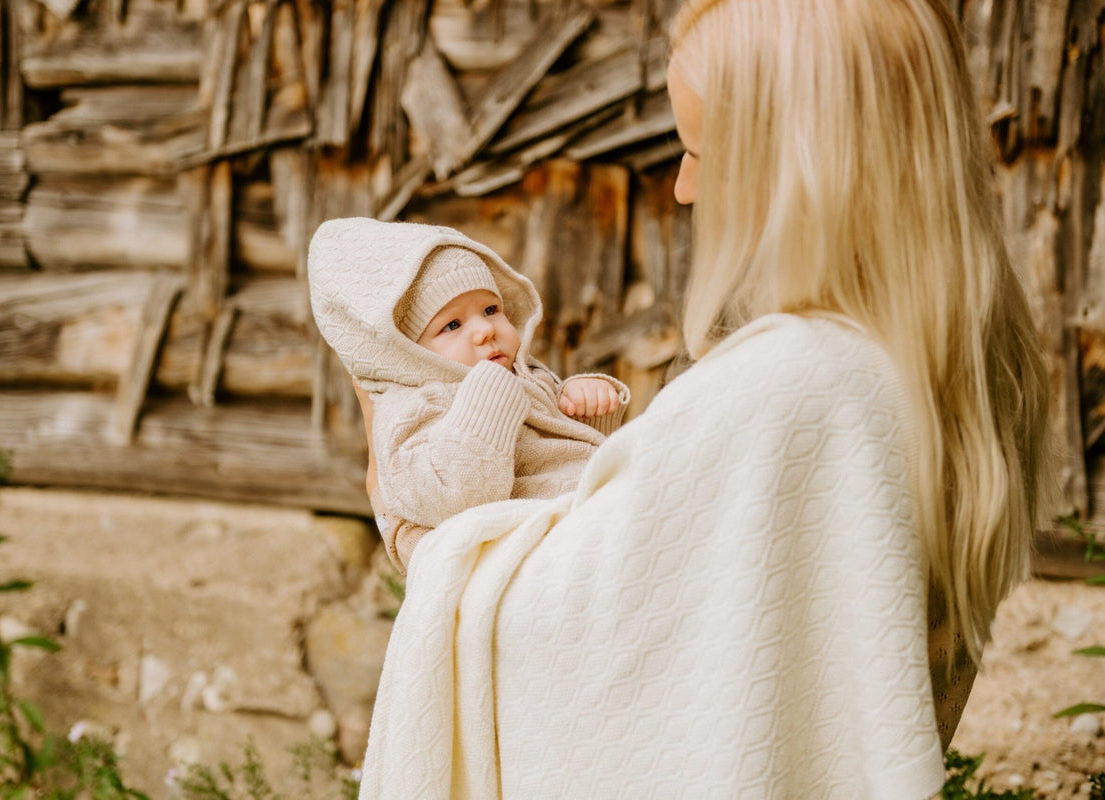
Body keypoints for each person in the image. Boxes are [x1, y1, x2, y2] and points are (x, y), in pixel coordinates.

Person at [354, 0, 1056, 797]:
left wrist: (416, 536)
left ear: (804, 163)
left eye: (699, 150)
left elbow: (577, 643)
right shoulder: (953, 368)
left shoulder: (784, 390)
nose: (685, 189)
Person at [307, 218, 629, 573]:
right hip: (533, 548)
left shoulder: (522, 373)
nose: (485, 330)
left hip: (591, 511)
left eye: (491, 310)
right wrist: (489, 399)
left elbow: (572, 447)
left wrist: (585, 403)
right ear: (409, 352)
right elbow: (451, 499)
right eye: (452, 325)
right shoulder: (414, 407)